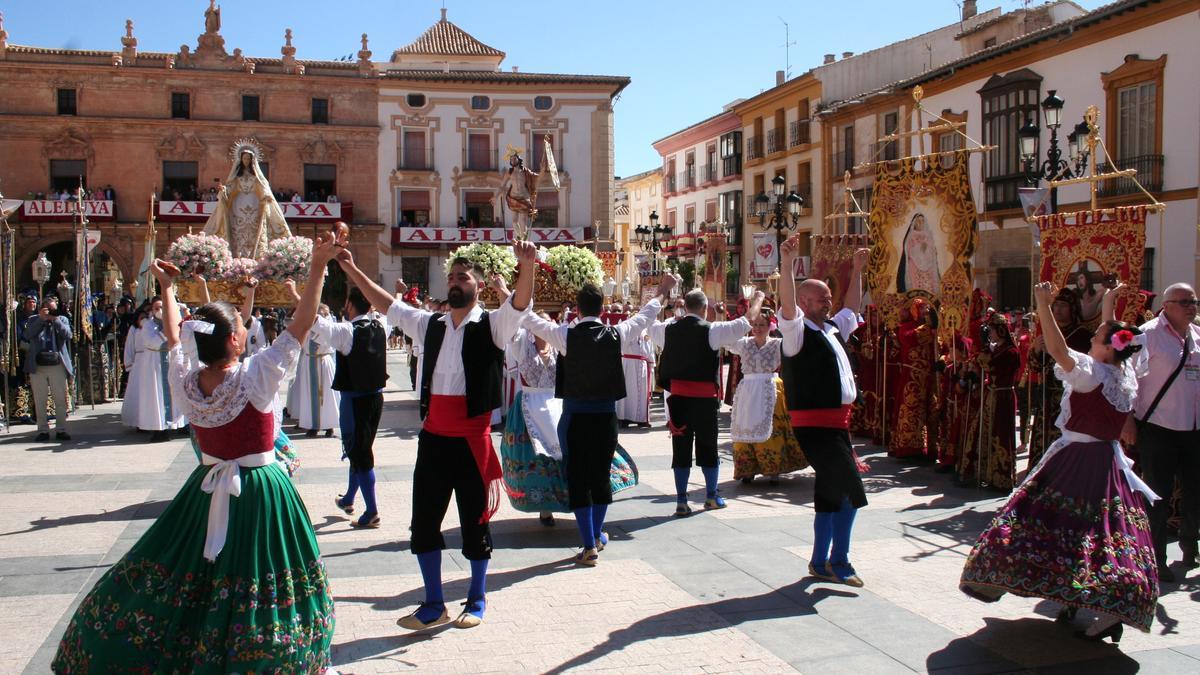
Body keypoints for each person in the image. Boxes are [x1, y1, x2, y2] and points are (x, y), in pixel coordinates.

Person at [52, 229, 340, 672]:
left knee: (194, 567)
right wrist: (319, 265)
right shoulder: (255, 379)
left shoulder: (186, 383)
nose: (246, 330)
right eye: (242, 327)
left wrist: (167, 289)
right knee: (261, 572)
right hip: (261, 490)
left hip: (204, 489)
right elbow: (300, 325)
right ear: (236, 341)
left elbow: (173, 340)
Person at [334, 240, 535, 631]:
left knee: (474, 523)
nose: (457, 282)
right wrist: (353, 271)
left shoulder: (493, 326)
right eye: (453, 277)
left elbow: (520, 304)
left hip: (470, 441)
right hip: (433, 439)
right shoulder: (432, 325)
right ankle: (433, 602)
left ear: (478, 285)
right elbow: (387, 305)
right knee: (424, 524)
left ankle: (476, 599)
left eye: (464, 277)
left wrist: (526, 267)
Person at [960, 281, 1158, 643]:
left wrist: (1042, 304)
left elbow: (1056, 347)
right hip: (1107, 462)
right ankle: (1093, 604)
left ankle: (1006, 578)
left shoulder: (1090, 373)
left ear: (1105, 346)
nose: (1093, 337)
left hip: (1075, 462)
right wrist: (1110, 301)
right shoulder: (1122, 375)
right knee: (1100, 531)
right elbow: (1113, 336)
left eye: (1097, 335)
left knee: (1041, 520)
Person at [521, 276, 672, 565]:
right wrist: (662, 291)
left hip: (575, 418)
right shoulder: (617, 334)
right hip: (605, 418)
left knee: (578, 478)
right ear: (602, 309)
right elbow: (645, 316)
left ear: (577, 310)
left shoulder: (564, 336)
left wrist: (507, 292)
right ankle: (597, 533)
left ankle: (589, 543)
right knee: (600, 477)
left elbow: (529, 319)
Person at [778, 236, 869, 587]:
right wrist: (786, 264)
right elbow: (786, 304)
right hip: (816, 425)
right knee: (851, 493)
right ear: (804, 302)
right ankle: (840, 562)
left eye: (828, 298)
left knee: (830, 494)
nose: (827, 304)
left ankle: (819, 562)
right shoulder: (797, 332)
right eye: (820, 299)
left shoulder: (831, 328)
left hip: (838, 425)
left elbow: (852, 308)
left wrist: (857, 271)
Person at [650, 285, 756, 516]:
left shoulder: (667, 329)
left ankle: (680, 500)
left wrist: (660, 292)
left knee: (681, 448)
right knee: (708, 447)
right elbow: (746, 322)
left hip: (678, 399)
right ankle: (711, 496)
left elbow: (648, 321)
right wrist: (756, 299)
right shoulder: (713, 330)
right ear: (705, 308)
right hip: (704, 400)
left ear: (684, 307)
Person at [1122, 282, 1200, 582]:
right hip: (1158, 427)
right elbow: (1128, 378)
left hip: (1192, 428)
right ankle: (1157, 558)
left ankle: (1190, 545)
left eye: (1194, 301)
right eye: (1185, 301)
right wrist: (1127, 418)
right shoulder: (1148, 335)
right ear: (1167, 305)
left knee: (1195, 491)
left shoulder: (1196, 336)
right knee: (1158, 495)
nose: (1192, 306)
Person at [326, 286, 389, 529]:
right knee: (359, 450)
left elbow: (315, 324)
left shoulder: (346, 330)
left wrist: (299, 297)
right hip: (376, 399)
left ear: (350, 305)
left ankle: (372, 511)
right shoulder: (381, 326)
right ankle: (350, 498)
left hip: (354, 400)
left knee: (361, 454)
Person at [728, 304, 807, 484]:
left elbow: (796, 343)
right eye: (754, 325)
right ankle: (747, 469)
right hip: (748, 389)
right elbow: (727, 340)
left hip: (769, 387)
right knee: (745, 426)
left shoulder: (777, 344)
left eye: (761, 325)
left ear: (770, 326)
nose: (757, 329)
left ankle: (774, 468)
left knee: (773, 427)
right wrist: (718, 316)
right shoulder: (744, 344)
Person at [1027, 289, 1092, 468]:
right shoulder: (1046, 334)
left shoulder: (1083, 336)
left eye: (1063, 306)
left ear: (1072, 308)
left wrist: (1053, 352)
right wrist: (1036, 350)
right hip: (1046, 399)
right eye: (1055, 306)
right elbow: (1034, 367)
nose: (1057, 310)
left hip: (1070, 400)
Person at [202, 143, 291, 258]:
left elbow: (264, 187)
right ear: (240, 159)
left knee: (254, 231)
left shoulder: (257, 177)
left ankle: (256, 256)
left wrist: (266, 195)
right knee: (238, 232)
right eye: (244, 158)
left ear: (252, 160)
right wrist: (223, 190)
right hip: (238, 206)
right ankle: (236, 256)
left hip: (255, 205)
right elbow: (230, 188)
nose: (246, 160)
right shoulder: (236, 177)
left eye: (248, 158)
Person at [887, 298, 939, 462]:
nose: (924, 313)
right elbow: (911, 338)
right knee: (912, 411)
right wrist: (929, 326)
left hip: (930, 377)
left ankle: (930, 448)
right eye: (921, 310)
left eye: (925, 310)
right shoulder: (906, 328)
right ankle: (910, 448)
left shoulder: (930, 328)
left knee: (932, 412)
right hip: (912, 378)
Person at [131, 296, 187, 441]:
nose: (160, 311)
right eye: (156, 308)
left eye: (163, 308)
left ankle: (176, 425)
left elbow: (180, 339)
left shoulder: (174, 323)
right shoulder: (148, 324)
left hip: (171, 360)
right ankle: (158, 429)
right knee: (155, 396)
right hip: (154, 364)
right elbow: (152, 342)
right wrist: (168, 330)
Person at [23, 296, 73, 442]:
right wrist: (41, 319)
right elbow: (27, 335)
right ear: (42, 309)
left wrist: (55, 320)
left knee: (60, 399)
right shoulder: (34, 319)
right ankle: (43, 430)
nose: (51, 311)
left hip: (57, 363)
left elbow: (68, 335)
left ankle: (61, 429)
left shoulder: (61, 319)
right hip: (38, 365)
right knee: (40, 399)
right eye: (48, 309)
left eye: (53, 308)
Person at [120, 310, 147, 427]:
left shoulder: (152, 328)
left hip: (151, 361)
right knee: (137, 392)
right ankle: (137, 421)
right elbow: (129, 346)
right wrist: (129, 363)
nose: (144, 320)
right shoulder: (134, 329)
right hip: (139, 362)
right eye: (141, 317)